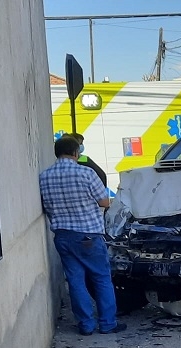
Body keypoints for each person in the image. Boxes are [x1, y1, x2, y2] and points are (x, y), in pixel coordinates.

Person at [39, 135, 126, 335]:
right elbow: (104, 202)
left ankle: (86, 325)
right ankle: (107, 323)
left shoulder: (44, 176)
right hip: (88, 236)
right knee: (101, 278)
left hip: (62, 236)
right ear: (76, 153)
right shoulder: (86, 173)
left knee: (75, 280)